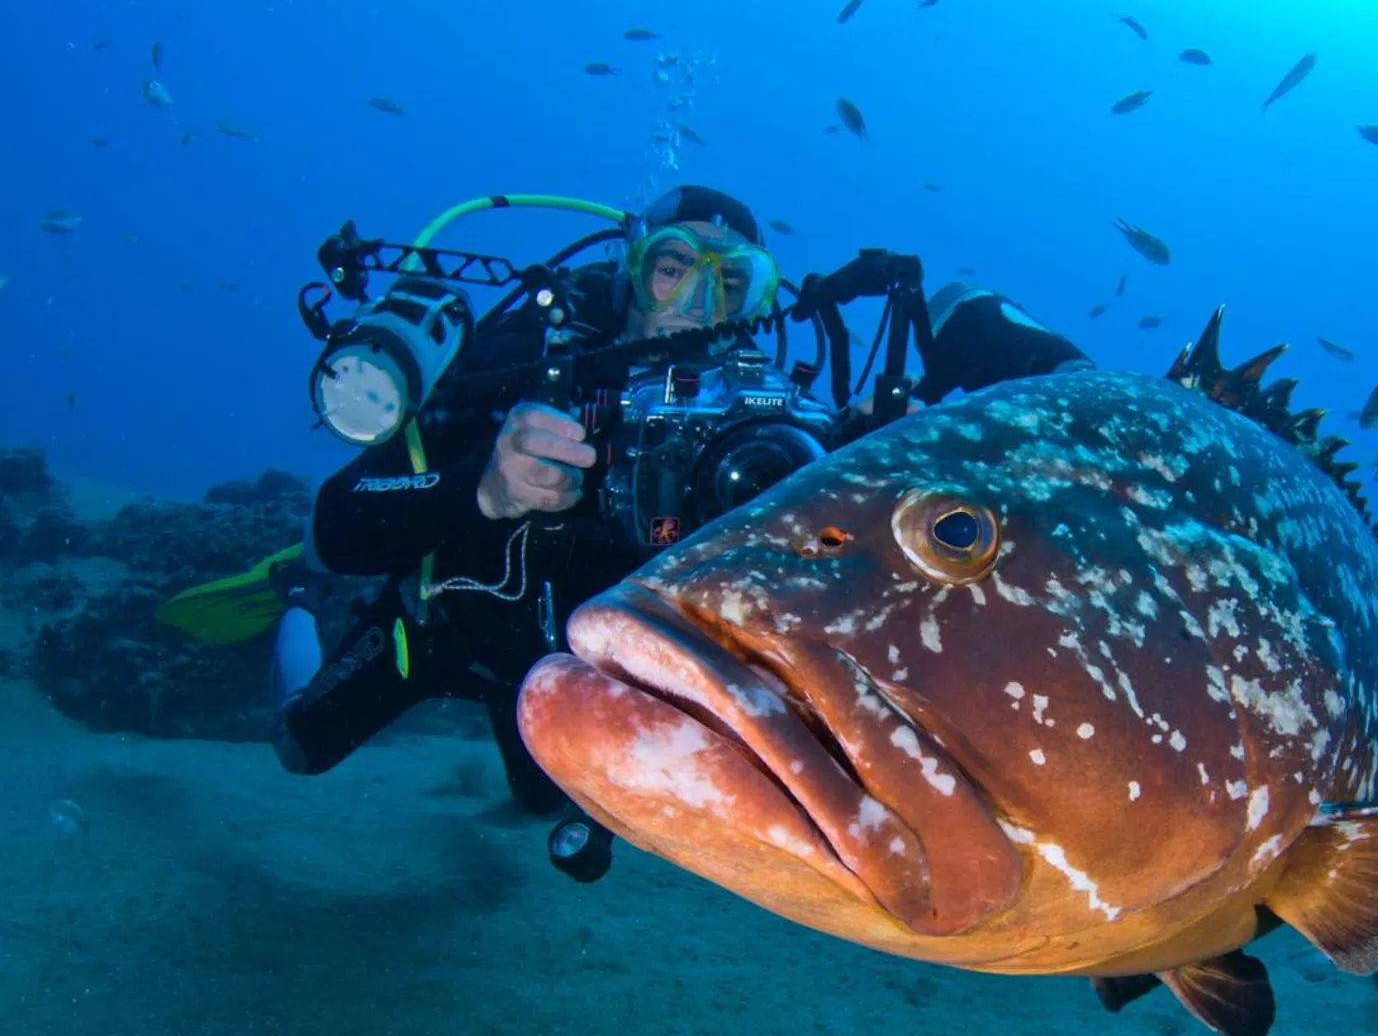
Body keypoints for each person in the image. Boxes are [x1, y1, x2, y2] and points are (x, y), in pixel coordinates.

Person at [270, 183, 1090, 821]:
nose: (701, 303)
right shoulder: (526, 365)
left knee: (543, 802)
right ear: (632, 271)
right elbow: (336, 523)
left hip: (582, 677)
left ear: (761, 299)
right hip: (449, 631)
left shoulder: (780, 423)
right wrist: (482, 489)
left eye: (732, 281)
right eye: (674, 268)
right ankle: (295, 601)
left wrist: (882, 466)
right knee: (298, 746)